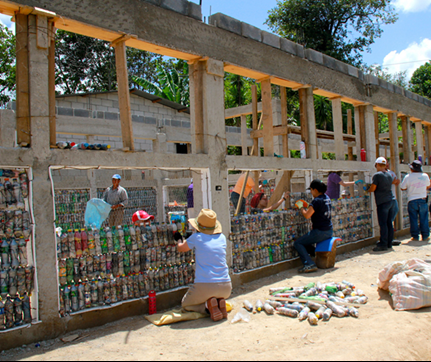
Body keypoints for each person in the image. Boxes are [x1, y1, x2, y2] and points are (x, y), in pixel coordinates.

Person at [177, 209, 232, 322]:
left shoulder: (197, 237)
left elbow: (181, 248)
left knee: (186, 305)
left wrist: (178, 239)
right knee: (214, 293)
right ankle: (218, 302)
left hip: (205, 285)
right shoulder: (222, 238)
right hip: (226, 286)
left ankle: (207, 306)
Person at [294, 180, 333, 274]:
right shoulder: (326, 198)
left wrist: (301, 207)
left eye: (311, 190)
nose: (311, 192)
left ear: (315, 190)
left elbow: (307, 215)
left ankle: (309, 264)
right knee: (306, 242)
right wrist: (308, 206)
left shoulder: (317, 200)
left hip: (320, 231)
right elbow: (318, 209)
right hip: (329, 230)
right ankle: (315, 255)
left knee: (298, 243)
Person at [367, 157, 399, 252]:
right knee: (389, 223)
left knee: (383, 224)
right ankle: (389, 242)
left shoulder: (377, 175)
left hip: (383, 202)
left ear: (377, 164)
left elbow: (373, 188)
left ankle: (383, 244)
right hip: (391, 201)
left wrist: (367, 190)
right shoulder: (389, 175)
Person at [400, 160, 431, 242]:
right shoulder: (425, 176)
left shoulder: (408, 176)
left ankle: (415, 236)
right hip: (422, 199)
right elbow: (428, 186)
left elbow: (402, 187)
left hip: (412, 200)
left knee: (413, 219)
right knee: (424, 218)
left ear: (412, 169)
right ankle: (425, 235)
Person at [386, 161, 401, 246]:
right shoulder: (381, 174)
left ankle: (390, 238)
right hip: (386, 199)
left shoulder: (391, 173)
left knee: (390, 220)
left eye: (388, 163)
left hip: (393, 198)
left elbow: (397, 181)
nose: (387, 164)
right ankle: (388, 239)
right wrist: (392, 182)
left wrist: (395, 181)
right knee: (388, 221)